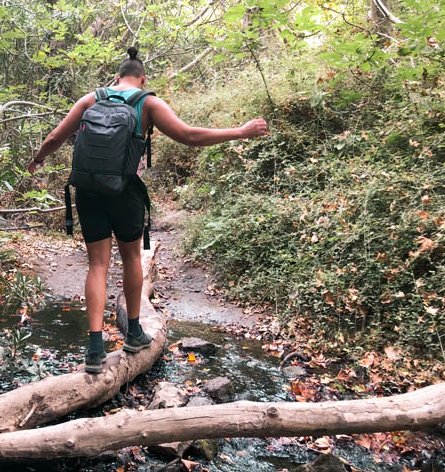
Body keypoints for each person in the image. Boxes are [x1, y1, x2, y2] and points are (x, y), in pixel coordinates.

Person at [28, 47, 268, 373]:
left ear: (115, 78)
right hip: (125, 192)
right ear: (143, 79)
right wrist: (240, 131)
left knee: (97, 265)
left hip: (87, 191)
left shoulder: (91, 99)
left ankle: (95, 348)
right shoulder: (148, 102)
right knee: (130, 258)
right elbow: (190, 136)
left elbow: (56, 136)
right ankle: (135, 332)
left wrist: (38, 158)